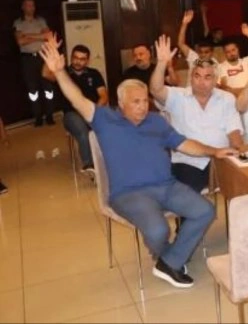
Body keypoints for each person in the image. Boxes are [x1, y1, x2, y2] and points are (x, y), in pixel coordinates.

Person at [38, 35, 237, 288]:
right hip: (128, 193)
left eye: (145, 101)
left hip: (167, 185)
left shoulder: (156, 121)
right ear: (121, 103)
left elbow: (184, 144)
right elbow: (77, 99)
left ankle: (170, 262)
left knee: (205, 211)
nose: (143, 107)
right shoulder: (104, 119)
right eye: (136, 102)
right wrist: (59, 72)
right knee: (158, 230)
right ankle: (170, 258)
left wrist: (215, 151)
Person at [150, 35, 244, 193]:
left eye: (207, 77)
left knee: (247, 184)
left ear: (215, 80)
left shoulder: (227, 98)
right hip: (188, 161)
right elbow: (156, 89)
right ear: (191, 77)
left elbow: (234, 132)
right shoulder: (177, 96)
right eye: (197, 76)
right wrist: (161, 63)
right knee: (185, 196)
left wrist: (239, 154)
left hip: (222, 159)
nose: (201, 82)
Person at [42, 44, 108, 173]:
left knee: (109, 127)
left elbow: (103, 96)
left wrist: (93, 112)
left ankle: (108, 160)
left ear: (87, 60)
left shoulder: (94, 73)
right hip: (71, 114)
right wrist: (52, 53)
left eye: (82, 59)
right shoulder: (63, 72)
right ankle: (89, 165)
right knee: (83, 131)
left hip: (93, 111)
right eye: (75, 58)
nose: (78, 61)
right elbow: (46, 74)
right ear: (71, 57)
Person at [14, 0, 55, 126]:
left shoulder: (41, 21)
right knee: (33, 90)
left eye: (32, 5)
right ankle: (38, 117)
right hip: (28, 59)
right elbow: (20, 41)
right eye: (28, 5)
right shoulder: (18, 23)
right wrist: (39, 36)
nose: (31, 8)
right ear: (23, 7)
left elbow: (48, 36)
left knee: (48, 88)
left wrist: (28, 36)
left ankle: (50, 115)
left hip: (43, 57)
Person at [217, 25, 248, 97]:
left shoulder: (247, 60)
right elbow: (224, 87)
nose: (231, 53)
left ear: (238, 49)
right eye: (228, 52)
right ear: (224, 53)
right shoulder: (221, 66)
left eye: (233, 50)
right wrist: (243, 91)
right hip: (233, 96)